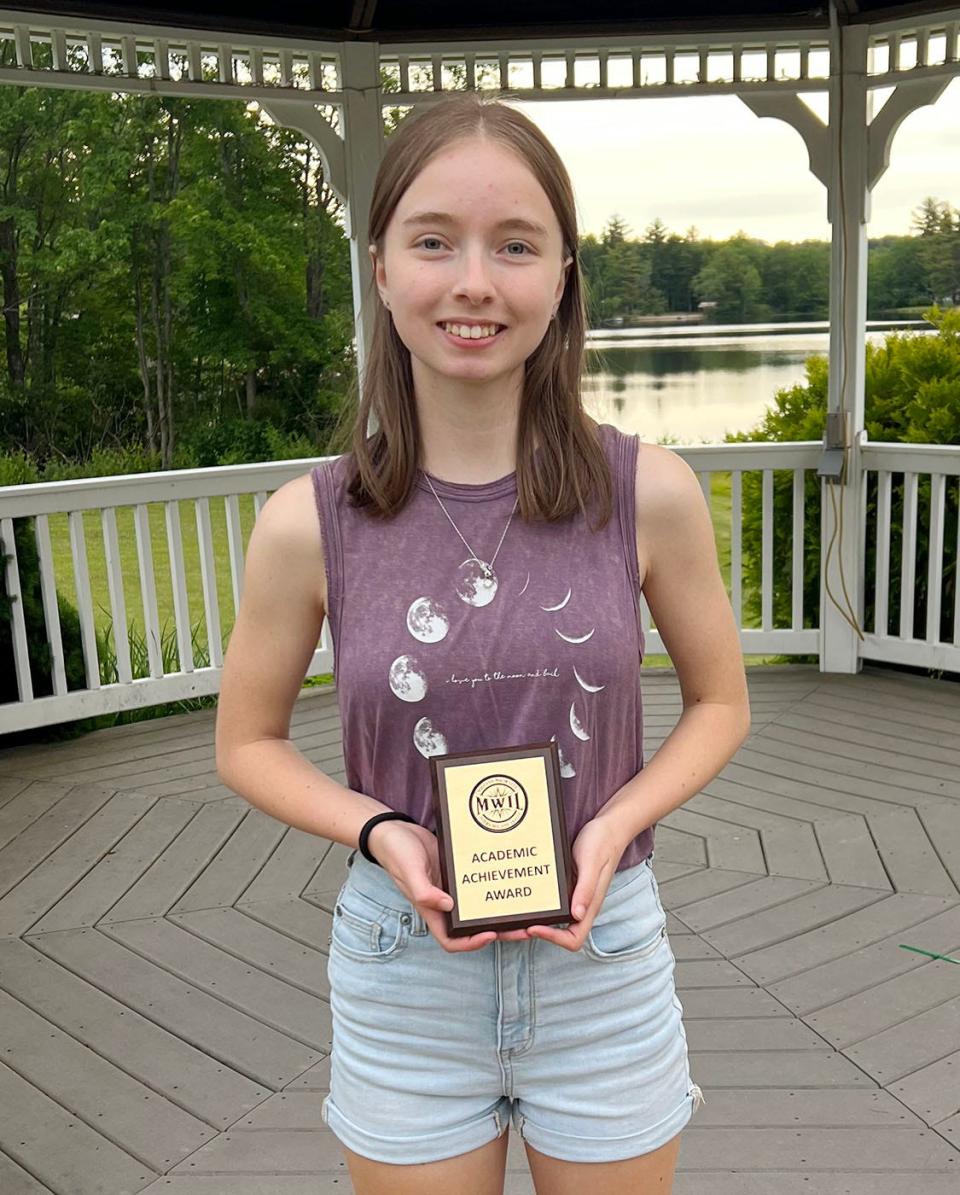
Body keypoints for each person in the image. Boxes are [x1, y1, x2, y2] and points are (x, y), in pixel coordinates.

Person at [215, 91, 750, 1195]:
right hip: (404, 972)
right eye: (433, 242)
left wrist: (613, 825)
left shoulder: (647, 493)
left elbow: (720, 705)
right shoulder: (308, 523)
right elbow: (247, 742)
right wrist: (377, 832)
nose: (474, 282)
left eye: (515, 245)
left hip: (602, 963)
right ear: (379, 265)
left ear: (560, 277)